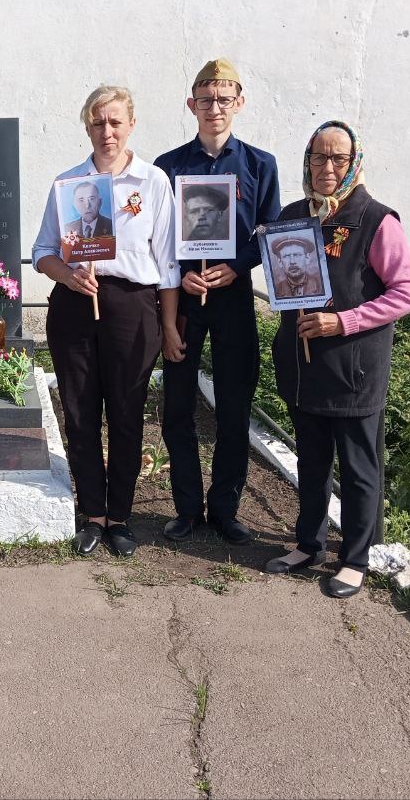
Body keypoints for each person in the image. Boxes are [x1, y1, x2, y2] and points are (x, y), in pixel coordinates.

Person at [264, 121, 410, 598]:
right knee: (311, 463)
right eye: (318, 157)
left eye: (338, 158)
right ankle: (308, 543)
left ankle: (354, 557)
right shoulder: (294, 215)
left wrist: (343, 321)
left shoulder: (375, 220)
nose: (327, 168)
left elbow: (409, 291)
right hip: (304, 366)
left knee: (357, 469)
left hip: (352, 370)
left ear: (354, 162)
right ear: (307, 160)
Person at [33, 85, 181, 558]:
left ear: (131, 124)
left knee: (125, 410)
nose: (107, 131)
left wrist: (171, 325)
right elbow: (42, 253)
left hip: (132, 308)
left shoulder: (152, 182)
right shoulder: (69, 183)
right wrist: (69, 275)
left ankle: (121, 515)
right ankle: (92, 513)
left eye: (115, 122)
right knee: (79, 412)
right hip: (77, 304)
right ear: (87, 127)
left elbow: (169, 262)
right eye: (98, 122)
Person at [155, 58, 281, 545]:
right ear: (192, 105)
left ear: (239, 103)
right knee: (178, 406)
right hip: (184, 301)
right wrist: (183, 276)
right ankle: (186, 508)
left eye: (223, 99)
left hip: (233, 300)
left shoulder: (259, 165)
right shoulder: (169, 167)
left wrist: (239, 265)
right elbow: (160, 238)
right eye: (205, 100)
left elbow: (268, 232)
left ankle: (226, 509)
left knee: (234, 405)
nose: (214, 108)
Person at [269, 235, 325, 299]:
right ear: (280, 261)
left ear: (307, 258)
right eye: (286, 256)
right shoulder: (276, 291)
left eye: (297, 255)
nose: (292, 262)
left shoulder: (321, 286)